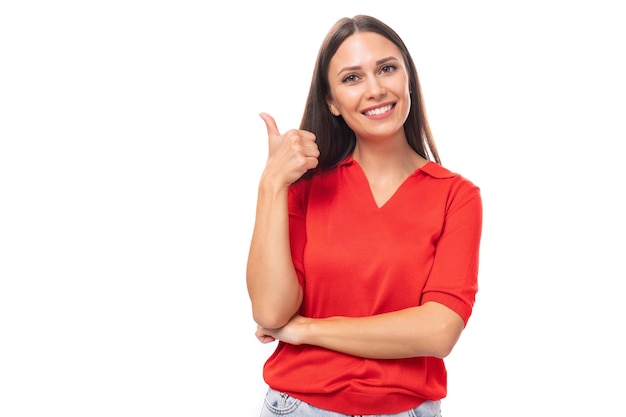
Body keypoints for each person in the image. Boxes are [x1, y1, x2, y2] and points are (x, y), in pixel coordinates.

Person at [246, 14, 482, 417]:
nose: (375, 90)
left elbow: (439, 331)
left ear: (408, 78)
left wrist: (306, 329)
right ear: (331, 102)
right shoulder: (305, 188)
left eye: (387, 69)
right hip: (298, 406)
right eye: (352, 78)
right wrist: (271, 184)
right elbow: (270, 312)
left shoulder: (455, 196)